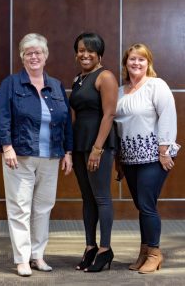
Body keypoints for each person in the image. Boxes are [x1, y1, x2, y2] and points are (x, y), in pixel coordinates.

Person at [0, 33, 73, 277]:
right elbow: (1, 117)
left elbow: (66, 121)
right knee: (20, 208)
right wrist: (7, 146)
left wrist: (68, 151)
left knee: (43, 208)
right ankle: (22, 259)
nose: (34, 56)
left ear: (46, 56)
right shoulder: (11, 83)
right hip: (21, 156)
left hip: (51, 156)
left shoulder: (56, 85)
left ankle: (38, 255)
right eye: (29, 52)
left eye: (38, 52)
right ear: (22, 57)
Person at [114, 43, 180, 274]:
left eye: (141, 59)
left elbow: (168, 116)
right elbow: (118, 126)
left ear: (148, 63)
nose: (136, 63)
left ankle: (154, 253)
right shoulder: (120, 91)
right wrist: (119, 160)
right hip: (130, 158)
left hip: (154, 156)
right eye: (132, 59)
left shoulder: (156, 85)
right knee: (142, 206)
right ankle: (144, 252)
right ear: (126, 63)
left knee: (146, 205)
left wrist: (164, 151)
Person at [69, 32, 118, 272]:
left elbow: (109, 114)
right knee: (87, 198)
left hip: (98, 144)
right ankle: (90, 246)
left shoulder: (105, 76)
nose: (84, 54)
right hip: (80, 144)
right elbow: (76, 114)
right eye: (80, 50)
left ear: (99, 53)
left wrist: (97, 149)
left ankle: (105, 249)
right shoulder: (78, 79)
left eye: (90, 50)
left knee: (101, 197)